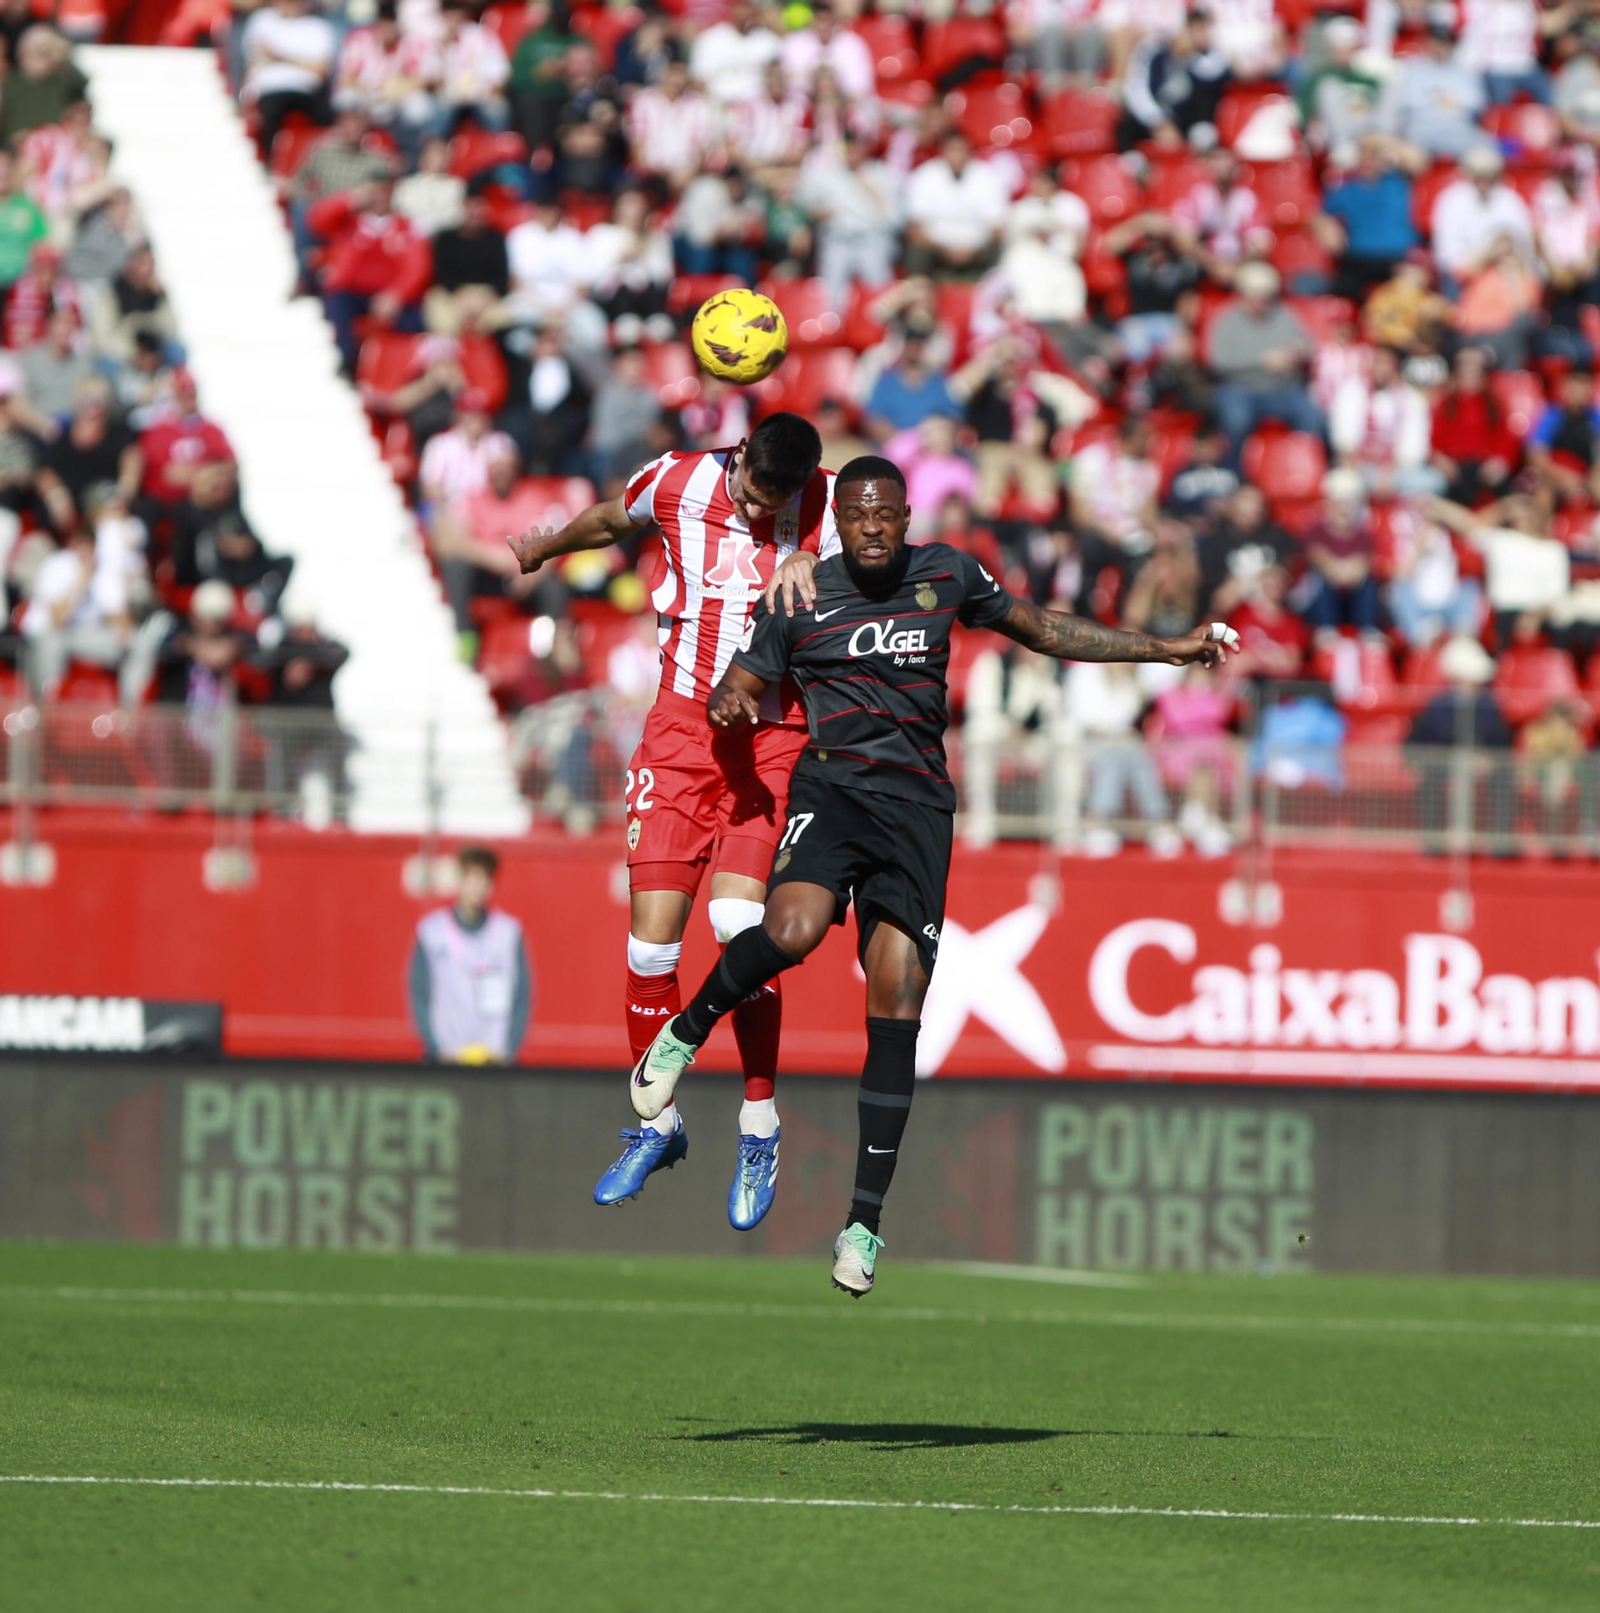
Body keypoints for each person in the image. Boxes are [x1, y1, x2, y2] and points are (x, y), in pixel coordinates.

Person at [624, 456, 1239, 1295]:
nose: (874, 527)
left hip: (917, 812)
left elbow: (1044, 628)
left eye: (887, 514)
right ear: (835, 521)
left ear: (907, 516)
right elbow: (741, 680)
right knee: (793, 930)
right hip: (832, 791)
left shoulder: (946, 573)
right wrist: (731, 699)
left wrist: (1167, 650)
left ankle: (864, 1226)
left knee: (898, 1001)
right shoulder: (799, 597)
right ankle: (685, 1032)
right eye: (858, 514)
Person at [505, 412, 840, 1231]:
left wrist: (817, 566)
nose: (768, 513)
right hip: (682, 731)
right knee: (649, 946)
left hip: (772, 737)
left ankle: (758, 1125)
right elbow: (616, 518)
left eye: (782, 501)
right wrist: (547, 548)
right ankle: (658, 1125)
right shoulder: (678, 479)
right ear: (738, 462)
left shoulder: (830, 506)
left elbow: (875, 578)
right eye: (760, 495)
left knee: (738, 925)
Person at [409, 845, 532, 1064]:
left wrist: (510, 1048)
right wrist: (436, 1048)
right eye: (471, 879)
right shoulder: (432, 931)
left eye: (483, 880)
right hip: (447, 1058)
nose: (477, 888)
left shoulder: (508, 933)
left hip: (495, 1059)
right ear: (459, 880)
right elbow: (419, 995)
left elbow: (522, 996)